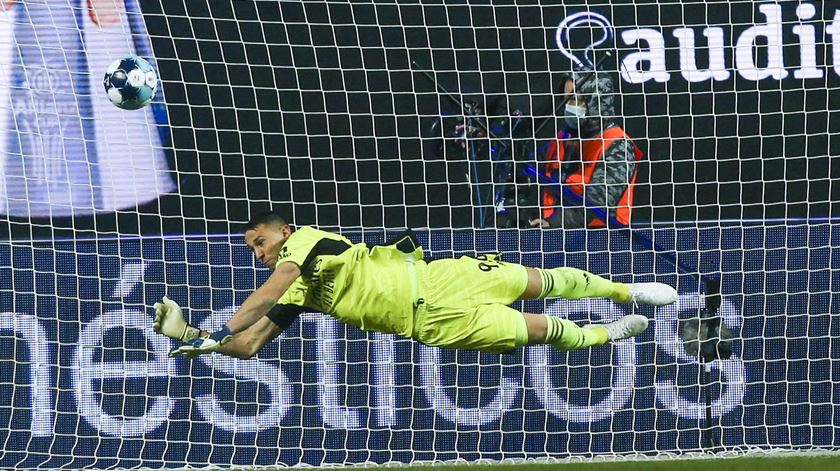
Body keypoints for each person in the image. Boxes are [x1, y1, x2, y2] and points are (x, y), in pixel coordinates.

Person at [153, 212, 677, 359]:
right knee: (541, 329)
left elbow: (273, 286)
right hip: (430, 320)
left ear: (284, 232)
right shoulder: (298, 292)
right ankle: (608, 335)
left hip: (439, 275)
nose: (259, 253)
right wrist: (191, 337)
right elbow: (248, 344)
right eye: (252, 250)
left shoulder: (305, 243)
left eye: (260, 241)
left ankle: (622, 292)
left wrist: (207, 333)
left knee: (538, 280)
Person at [530, 70, 642, 229]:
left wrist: (554, 223)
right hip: (552, 237)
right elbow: (528, 170)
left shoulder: (618, 144)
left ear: (597, 103)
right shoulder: (561, 139)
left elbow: (597, 204)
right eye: (567, 99)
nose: (570, 107)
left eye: (578, 100)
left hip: (603, 241)